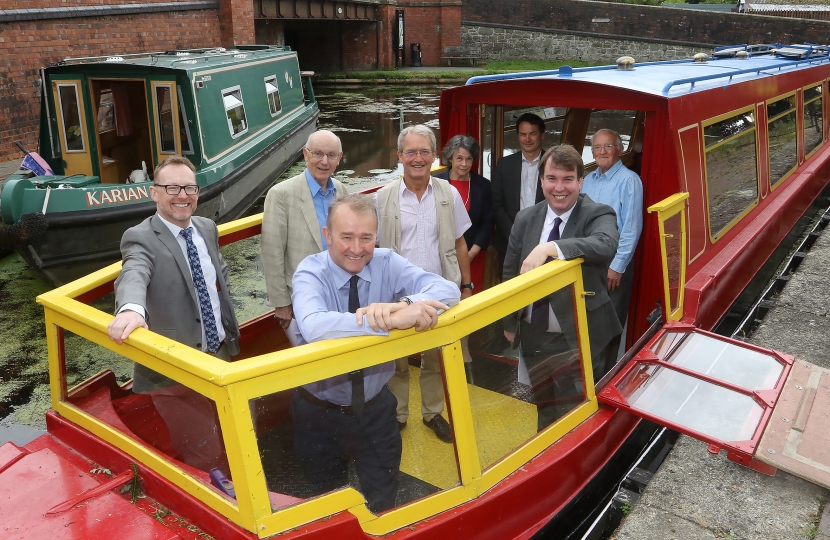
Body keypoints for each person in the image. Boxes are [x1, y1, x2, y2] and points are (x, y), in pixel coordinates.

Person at [291, 193, 460, 513]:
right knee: (324, 507)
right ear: (327, 235)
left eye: (366, 238)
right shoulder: (310, 272)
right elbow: (313, 326)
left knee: (383, 502)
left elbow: (448, 290)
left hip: (377, 407)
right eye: (346, 237)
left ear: (376, 236)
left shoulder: (388, 261)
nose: (357, 248)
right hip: (318, 412)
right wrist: (388, 321)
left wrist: (406, 304)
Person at [107, 155, 240, 471]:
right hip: (174, 371)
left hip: (218, 356)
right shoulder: (140, 237)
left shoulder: (207, 227)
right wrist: (131, 309)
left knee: (230, 433)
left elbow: (218, 281)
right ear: (154, 193)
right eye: (172, 188)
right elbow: (134, 272)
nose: (183, 195)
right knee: (203, 451)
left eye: (189, 187)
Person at [502, 145, 621, 427]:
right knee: (543, 403)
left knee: (575, 410)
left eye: (568, 179)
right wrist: (509, 323)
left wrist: (551, 247)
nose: (559, 187)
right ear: (541, 180)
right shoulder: (525, 218)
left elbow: (606, 245)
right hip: (533, 334)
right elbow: (510, 271)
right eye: (551, 178)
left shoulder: (598, 213)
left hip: (578, 336)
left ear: (581, 181)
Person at [375, 124, 472, 443]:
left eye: (424, 152)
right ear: (400, 155)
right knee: (396, 362)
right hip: (396, 297)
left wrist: (467, 285)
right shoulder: (382, 198)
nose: (418, 158)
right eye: (411, 152)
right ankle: (398, 415)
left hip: (438, 293)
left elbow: (459, 243)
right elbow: (372, 252)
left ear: (434, 156)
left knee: (435, 360)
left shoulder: (449, 194)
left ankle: (432, 413)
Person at [261, 129, 347, 329]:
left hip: (339, 290)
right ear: (305, 154)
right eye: (317, 153)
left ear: (339, 158)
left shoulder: (341, 191)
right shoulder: (281, 195)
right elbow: (272, 253)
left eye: (331, 155)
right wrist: (281, 303)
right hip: (302, 296)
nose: (324, 161)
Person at [581, 129, 643, 331]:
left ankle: (610, 364)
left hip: (613, 260)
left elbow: (632, 227)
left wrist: (617, 267)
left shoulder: (629, 180)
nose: (602, 151)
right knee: (587, 319)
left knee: (610, 324)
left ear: (620, 149)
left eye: (608, 146)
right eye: (597, 147)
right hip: (588, 259)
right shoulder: (588, 180)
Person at [434, 134, 493, 292]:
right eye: (459, 158)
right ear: (450, 158)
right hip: (440, 256)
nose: (464, 164)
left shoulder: (484, 186)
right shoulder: (434, 183)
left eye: (469, 159)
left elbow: (487, 223)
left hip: (474, 255)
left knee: (471, 297)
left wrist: (472, 252)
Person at [491, 113, 546, 275]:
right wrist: (514, 234)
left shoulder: (554, 163)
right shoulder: (504, 165)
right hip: (509, 242)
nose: (527, 139)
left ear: (542, 135)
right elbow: (496, 204)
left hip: (545, 241)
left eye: (532, 134)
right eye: (523, 134)